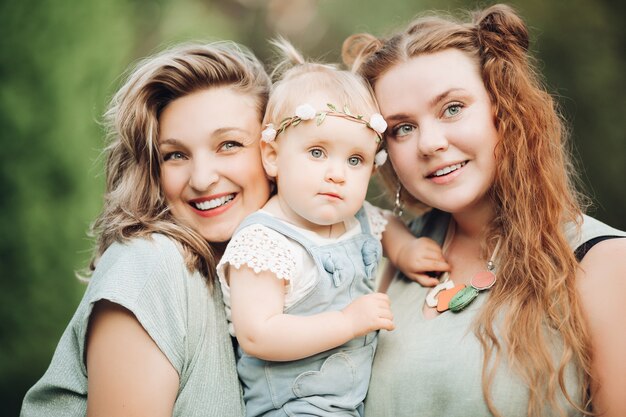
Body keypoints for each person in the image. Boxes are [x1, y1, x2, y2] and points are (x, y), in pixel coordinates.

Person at [343, 4, 626, 417]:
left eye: (452, 108)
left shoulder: (602, 263)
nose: (429, 143)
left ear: (505, 110)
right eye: (403, 128)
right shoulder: (384, 262)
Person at [20, 41, 273, 417]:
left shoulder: (269, 276)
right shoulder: (151, 265)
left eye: (229, 145)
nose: (202, 179)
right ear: (152, 171)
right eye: (175, 155)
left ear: (274, 152)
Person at [216, 39, 448, 417]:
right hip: (291, 408)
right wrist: (345, 322)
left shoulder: (352, 219)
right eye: (317, 152)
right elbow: (258, 334)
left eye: (355, 159)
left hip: (349, 403)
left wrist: (405, 250)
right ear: (273, 155)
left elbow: (385, 223)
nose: (337, 174)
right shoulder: (264, 242)